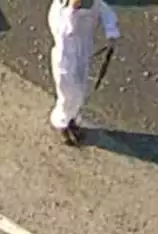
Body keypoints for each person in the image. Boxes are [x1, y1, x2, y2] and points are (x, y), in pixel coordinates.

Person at [48, 0, 120, 146]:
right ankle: (62, 122)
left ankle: (71, 118)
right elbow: (65, 33)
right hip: (67, 55)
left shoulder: (93, 4)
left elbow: (105, 11)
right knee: (71, 92)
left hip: (83, 50)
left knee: (81, 87)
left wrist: (111, 33)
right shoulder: (61, 17)